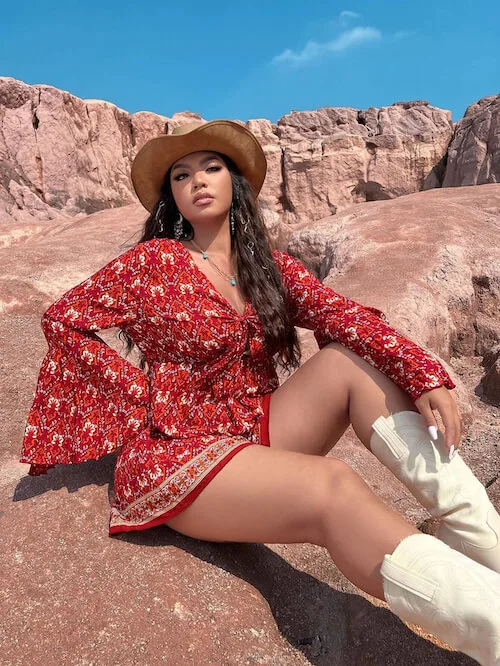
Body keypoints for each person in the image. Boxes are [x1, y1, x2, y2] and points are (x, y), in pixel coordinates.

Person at [21, 120, 499, 664]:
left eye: (212, 167)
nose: (197, 181)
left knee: (344, 364)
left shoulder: (267, 267)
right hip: (182, 454)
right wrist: (135, 398)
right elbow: (63, 318)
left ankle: (487, 548)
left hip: (254, 430)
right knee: (332, 486)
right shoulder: (153, 262)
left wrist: (422, 372)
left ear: (235, 183)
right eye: (181, 175)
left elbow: (338, 314)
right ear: (172, 197)